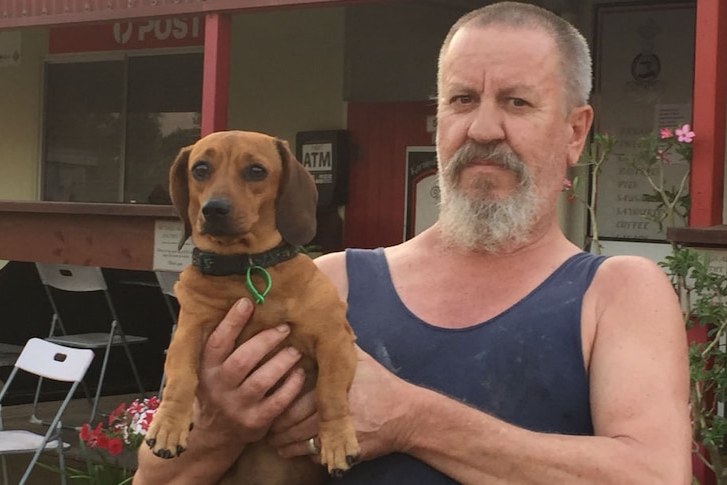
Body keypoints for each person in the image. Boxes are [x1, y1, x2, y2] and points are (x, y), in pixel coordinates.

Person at [134, 2, 692, 484]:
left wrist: (412, 419)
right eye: (462, 100)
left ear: (575, 132)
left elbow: (653, 477)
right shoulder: (327, 282)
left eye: (518, 103)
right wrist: (219, 428)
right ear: (438, 120)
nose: (483, 129)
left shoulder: (618, 294)